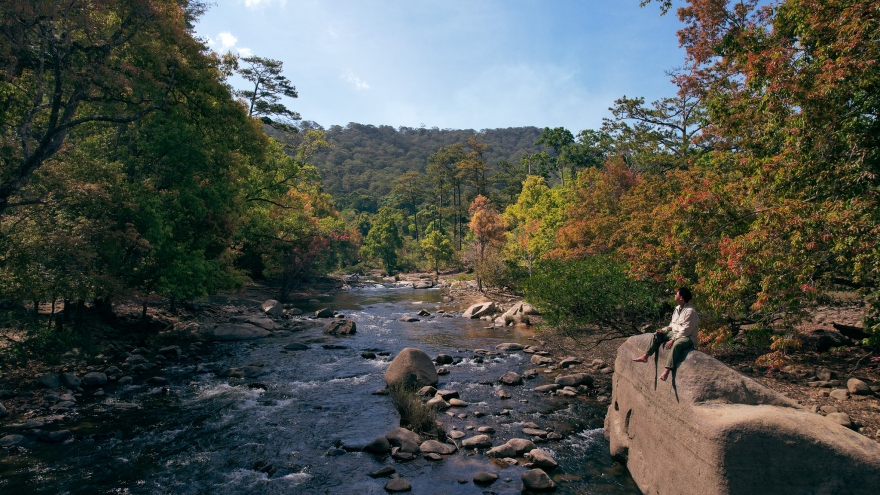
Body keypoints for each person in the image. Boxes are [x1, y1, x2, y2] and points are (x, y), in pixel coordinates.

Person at [632, 287, 699, 381]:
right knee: (656, 335)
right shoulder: (677, 308)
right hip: (675, 333)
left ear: (681, 297)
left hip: (687, 336)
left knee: (677, 344)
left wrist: (673, 340)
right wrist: (663, 330)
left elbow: (686, 330)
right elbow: (672, 325)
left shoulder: (690, 312)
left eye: (677, 294)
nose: (675, 296)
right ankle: (645, 356)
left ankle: (667, 371)